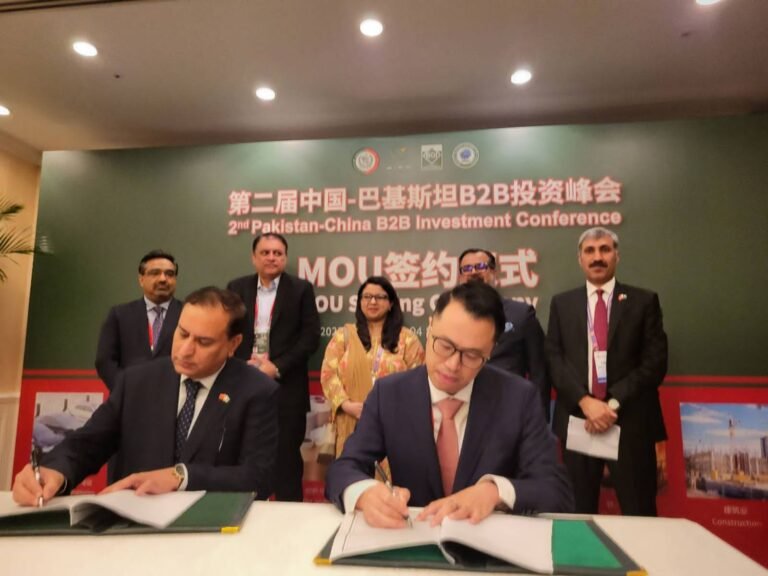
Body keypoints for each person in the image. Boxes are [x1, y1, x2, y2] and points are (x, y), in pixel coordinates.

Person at [325, 282, 574, 528]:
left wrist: (495, 492)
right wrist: (363, 492)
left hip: (486, 539)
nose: (453, 365)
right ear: (429, 327)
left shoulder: (518, 398)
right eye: (444, 346)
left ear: (491, 350)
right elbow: (344, 468)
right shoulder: (389, 394)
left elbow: (556, 490)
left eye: (472, 355)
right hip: (412, 536)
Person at [13, 287, 279, 505]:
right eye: (183, 334)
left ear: (233, 344)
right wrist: (55, 470)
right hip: (134, 527)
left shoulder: (256, 391)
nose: (185, 350)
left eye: (203, 342)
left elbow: (258, 477)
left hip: (212, 531)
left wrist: (181, 476)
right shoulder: (138, 381)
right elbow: (88, 443)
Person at [546, 227, 668, 516]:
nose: (597, 257)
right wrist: (585, 402)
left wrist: (610, 404)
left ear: (617, 256)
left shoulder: (644, 301)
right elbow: (553, 358)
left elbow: (654, 364)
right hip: (580, 421)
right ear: (580, 259)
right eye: (589, 251)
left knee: (639, 513)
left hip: (629, 422)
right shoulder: (562, 304)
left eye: (605, 249)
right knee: (577, 512)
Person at [227, 232, 320, 501]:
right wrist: (240, 365)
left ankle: (290, 519)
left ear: (285, 258)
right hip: (242, 384)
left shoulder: (301, 290)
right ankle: (244, 512)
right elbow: (225, 331)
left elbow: (310, 338)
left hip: (286, 387)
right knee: (243, 456)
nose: (271, 257)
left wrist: (276, 367)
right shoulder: (236, 288)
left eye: (277, 253)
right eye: (265, 252)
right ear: (254, 257)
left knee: (287, 462)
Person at [320, 276, 425, 458]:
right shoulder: (344, 336)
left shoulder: (407, 339)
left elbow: (419, 382)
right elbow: (328, 375)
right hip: (351, 422)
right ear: (360, 302)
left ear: (391, 303)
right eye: (367, 297)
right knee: (353, 472)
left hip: (393, 425)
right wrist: (347, 405)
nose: (373, 302)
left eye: (380, 297)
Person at [458, 248, 550, 420]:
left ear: (494, 272)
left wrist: (539, 418)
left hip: (511, 409)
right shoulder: (451, 317)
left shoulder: (521, 314)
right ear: (460, 277)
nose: (474, 272)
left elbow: (539, 371)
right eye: (467, 269)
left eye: (480, 266)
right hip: (463, 412)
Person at [95, 249, 183, 390]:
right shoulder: (120, 315)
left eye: (169, 274)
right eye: (155, 273)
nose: (163, 279)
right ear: (141, 279)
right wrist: (125, 390)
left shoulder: (188, 314)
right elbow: (105, 361)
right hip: (129, 396)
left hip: (177, 396)